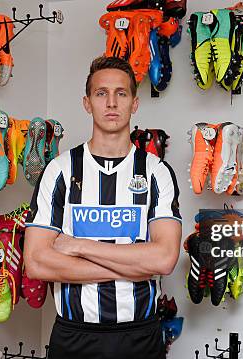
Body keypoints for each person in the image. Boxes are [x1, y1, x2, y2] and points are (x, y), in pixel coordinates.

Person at [23, 56, 182, 359]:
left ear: (134, 103)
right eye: (101, 93)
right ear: (87, 103)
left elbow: (163, 260)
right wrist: (133, 268)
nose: (111, 103)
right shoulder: (59, 170)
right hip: (74, 336)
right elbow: (37, 262)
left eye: (121, 93)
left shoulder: (156, 171)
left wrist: (79, 246)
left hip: (140, 337)